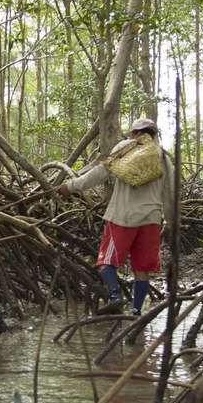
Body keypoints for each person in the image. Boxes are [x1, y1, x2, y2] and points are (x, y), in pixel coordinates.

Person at [56, 118, 174, 316]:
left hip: (123, 216)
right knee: (141, 269)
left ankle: (114, 296)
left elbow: (101, 172)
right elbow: (170, 193)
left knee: (105, 261)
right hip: (152, 219)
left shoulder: (125, 148)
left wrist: (70, 187)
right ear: (154, 135)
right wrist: (170, 221)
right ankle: (136, 313)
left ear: (135, 133)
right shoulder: (163, 157)